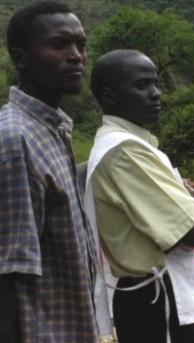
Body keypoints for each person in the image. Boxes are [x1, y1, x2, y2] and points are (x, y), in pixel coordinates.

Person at [86, 50, 194, 343]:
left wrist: (193, 202)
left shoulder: (130, 146)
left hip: (159, 298)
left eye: (156, 84)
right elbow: (193, 231)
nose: (155, 94)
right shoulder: (125, 153)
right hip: (160, 306)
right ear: (110, 97)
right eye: (142, 85)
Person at [0, 2, 100, 342]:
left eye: (80, 45)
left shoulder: (53, 131)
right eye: (59, 45)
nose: (76, 56)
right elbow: (11, 272)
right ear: (21, 57)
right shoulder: (15, 141)